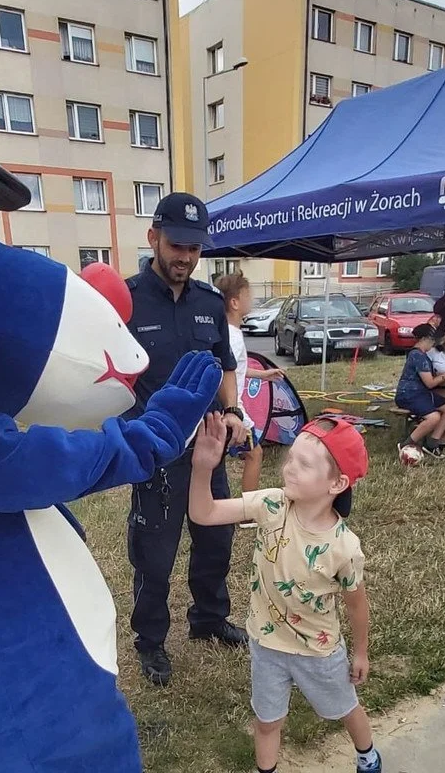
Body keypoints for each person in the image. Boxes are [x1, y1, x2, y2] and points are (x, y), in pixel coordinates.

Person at [188, 413, 382, 773]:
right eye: (291, 458)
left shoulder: (344, 547)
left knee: (344, 708)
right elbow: (204, 512)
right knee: (266, 722)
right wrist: (202, 468)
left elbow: (357, 605)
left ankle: (367, 754)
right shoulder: (272, 505)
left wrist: (361, 652)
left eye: (304, 464)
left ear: (336, 483)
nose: (289, 467)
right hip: (266, 644)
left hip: (318, 651)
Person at [126, 192, 250, 687]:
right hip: (154, 450)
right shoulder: (126, 300)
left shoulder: (209, 304)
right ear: (154, 237)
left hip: (207, 447)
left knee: (214, 536)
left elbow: (225, 366)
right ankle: (151, 641)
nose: (185, 257)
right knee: (154, 550)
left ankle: (208, 618)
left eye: (195, 249)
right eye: (177, 245)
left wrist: (235, 410)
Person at [216, 273, 285, 493]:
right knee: (255, 454)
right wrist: (232, 410)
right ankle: (248, 511)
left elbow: (234, 369)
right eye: (248, 295)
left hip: (227, 411)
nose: (252, 300)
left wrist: (263, 375)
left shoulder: (227, 333)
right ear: (235, 303)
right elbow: (223, 375)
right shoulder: (233, 338)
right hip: (233, 412)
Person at [394, 323, 445, 457]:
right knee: (434, 417)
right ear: (424, 339)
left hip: (421, 393)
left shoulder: (421, 355)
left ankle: (432, 442)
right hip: (409, 394)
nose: (433, 344)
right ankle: (406, 444)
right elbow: (429, 383)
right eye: (432, 340)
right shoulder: (418, 356)